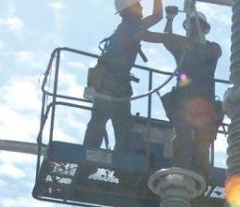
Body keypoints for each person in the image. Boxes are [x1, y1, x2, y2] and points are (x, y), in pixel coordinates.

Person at [82, 0, 164, 156]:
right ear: (129, 10)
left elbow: (157, 16)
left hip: (117, 84)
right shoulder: (129, 28)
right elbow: (155, 36)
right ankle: (97, 158)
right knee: (111, 126)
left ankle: (95, 158)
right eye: (138, 5)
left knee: (115, 126)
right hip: (111, 84)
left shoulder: (130, 26)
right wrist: (179, 40)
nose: (141, 7)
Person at [158, 7, 223, 176]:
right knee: (183, 138)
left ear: (204, 28)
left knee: (202, 141)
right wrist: (170, 19)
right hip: (183, 103)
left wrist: (194, 44)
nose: (194, 27)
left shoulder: (211, 47)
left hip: (204, 105)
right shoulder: (182, 48)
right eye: (191, 24)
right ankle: (178, 172)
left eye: (198, 24)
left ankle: (202, 175)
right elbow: (167, 40)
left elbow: (217, 52)